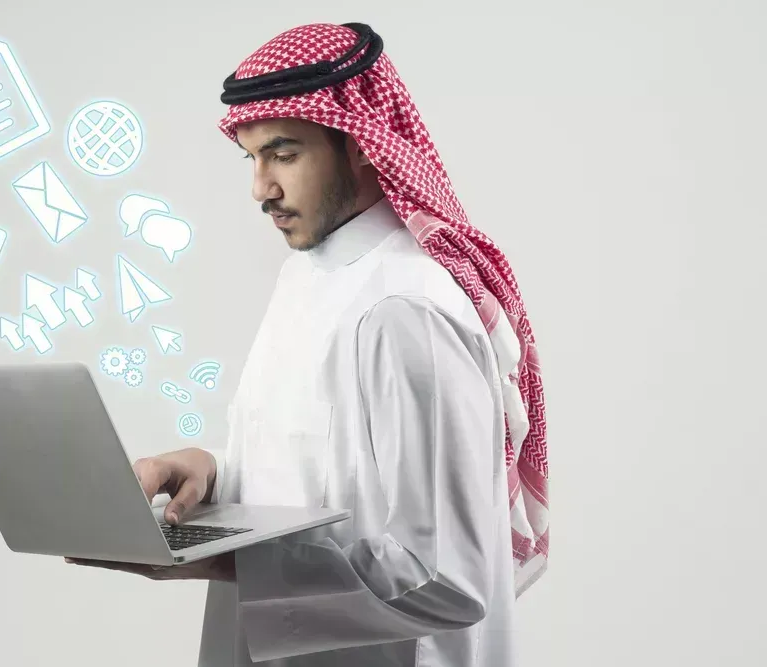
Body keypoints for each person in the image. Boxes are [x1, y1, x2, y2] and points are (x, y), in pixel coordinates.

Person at [65, 21, 550, 666]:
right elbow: (327, 477)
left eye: (284, 154)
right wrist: (213, 475)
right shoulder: (310, 273)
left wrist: (224, 561)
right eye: (252, 158)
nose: (261, 188)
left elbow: (445, 579)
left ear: (361, 143)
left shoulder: (405, 310)